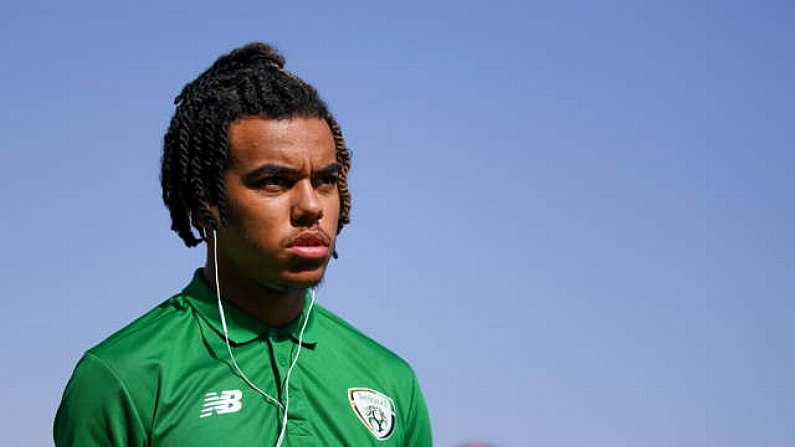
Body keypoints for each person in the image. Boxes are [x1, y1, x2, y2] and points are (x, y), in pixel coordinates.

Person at [54, 42, 433, 446]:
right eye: (275, 182)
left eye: (325, 181)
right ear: (207, 201)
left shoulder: (391, 382)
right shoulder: (124, 379)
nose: (310, 206)